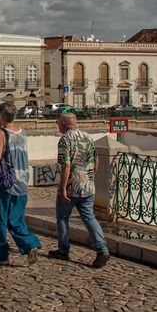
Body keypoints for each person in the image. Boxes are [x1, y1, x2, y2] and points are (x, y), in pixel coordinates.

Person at [48, 112, 110, 268]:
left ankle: (63, 250)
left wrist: (63, 188)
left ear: (62, 123)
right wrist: (90, 178)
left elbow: (66, 165)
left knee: (62, 218)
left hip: (71, 186)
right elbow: (96, 160)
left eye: (58, 122)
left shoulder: (65, 140)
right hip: (87, 186)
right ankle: (102, 250)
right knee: (89, 218)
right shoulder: (87, 137)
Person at [0, 101, 41, 266]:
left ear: (2, 116)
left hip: (5, 183)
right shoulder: (23, 133)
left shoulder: (0, 133)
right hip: (22, 181)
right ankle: (30, 245)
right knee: (16, 219)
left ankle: (1, 255)